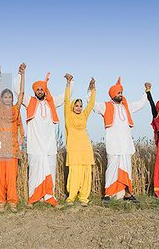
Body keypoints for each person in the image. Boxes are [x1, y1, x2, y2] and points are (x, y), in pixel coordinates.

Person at [14, 71, 73, 208]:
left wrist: (69, 82)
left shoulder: (51, 103)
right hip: (35, 146)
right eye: (38, 89)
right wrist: (20, 74)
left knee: (49, 171)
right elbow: (18, 91)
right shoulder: (30, 102)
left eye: (42, 89)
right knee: (34, 172)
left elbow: (65, 97)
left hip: (49, 146)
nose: (40, 91)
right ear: (34, 91)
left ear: (45, 90)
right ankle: (33, 198)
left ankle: (49, 197)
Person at [92, 77, 150, 203]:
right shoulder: (105, 106)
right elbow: (92, 104)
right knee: (112, 168)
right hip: (113, 144)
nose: (121, 95)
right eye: (118, 93)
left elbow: (140, 104)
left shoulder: (127, 106)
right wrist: (91, 90)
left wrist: (146, 92)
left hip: (126, 145)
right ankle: (108, 194)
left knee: (127, 169)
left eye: (121, 93)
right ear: (113, 94)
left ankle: (128, 194)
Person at [0, 61, 25, 213]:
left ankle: (12, 201)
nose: (7, 99)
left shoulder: (15, 109)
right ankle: (1, 202)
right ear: (1, 99)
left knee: (12, 177)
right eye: (5, 97)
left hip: (12, 148)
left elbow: (22, 94)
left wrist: (22, 74)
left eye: (9, 97)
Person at [64, 74, 96, 206]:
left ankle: (84, 197)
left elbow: (91, 104)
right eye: (76, 105)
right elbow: (66, 100)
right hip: (73, 147)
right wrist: (68, 83)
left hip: (85, 147)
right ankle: (71, 196)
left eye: (80, 105)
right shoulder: (69, 115)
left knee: (86, 171)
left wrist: (92, 89)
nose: (79, 107)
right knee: (75, 171)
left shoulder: (84, 115)